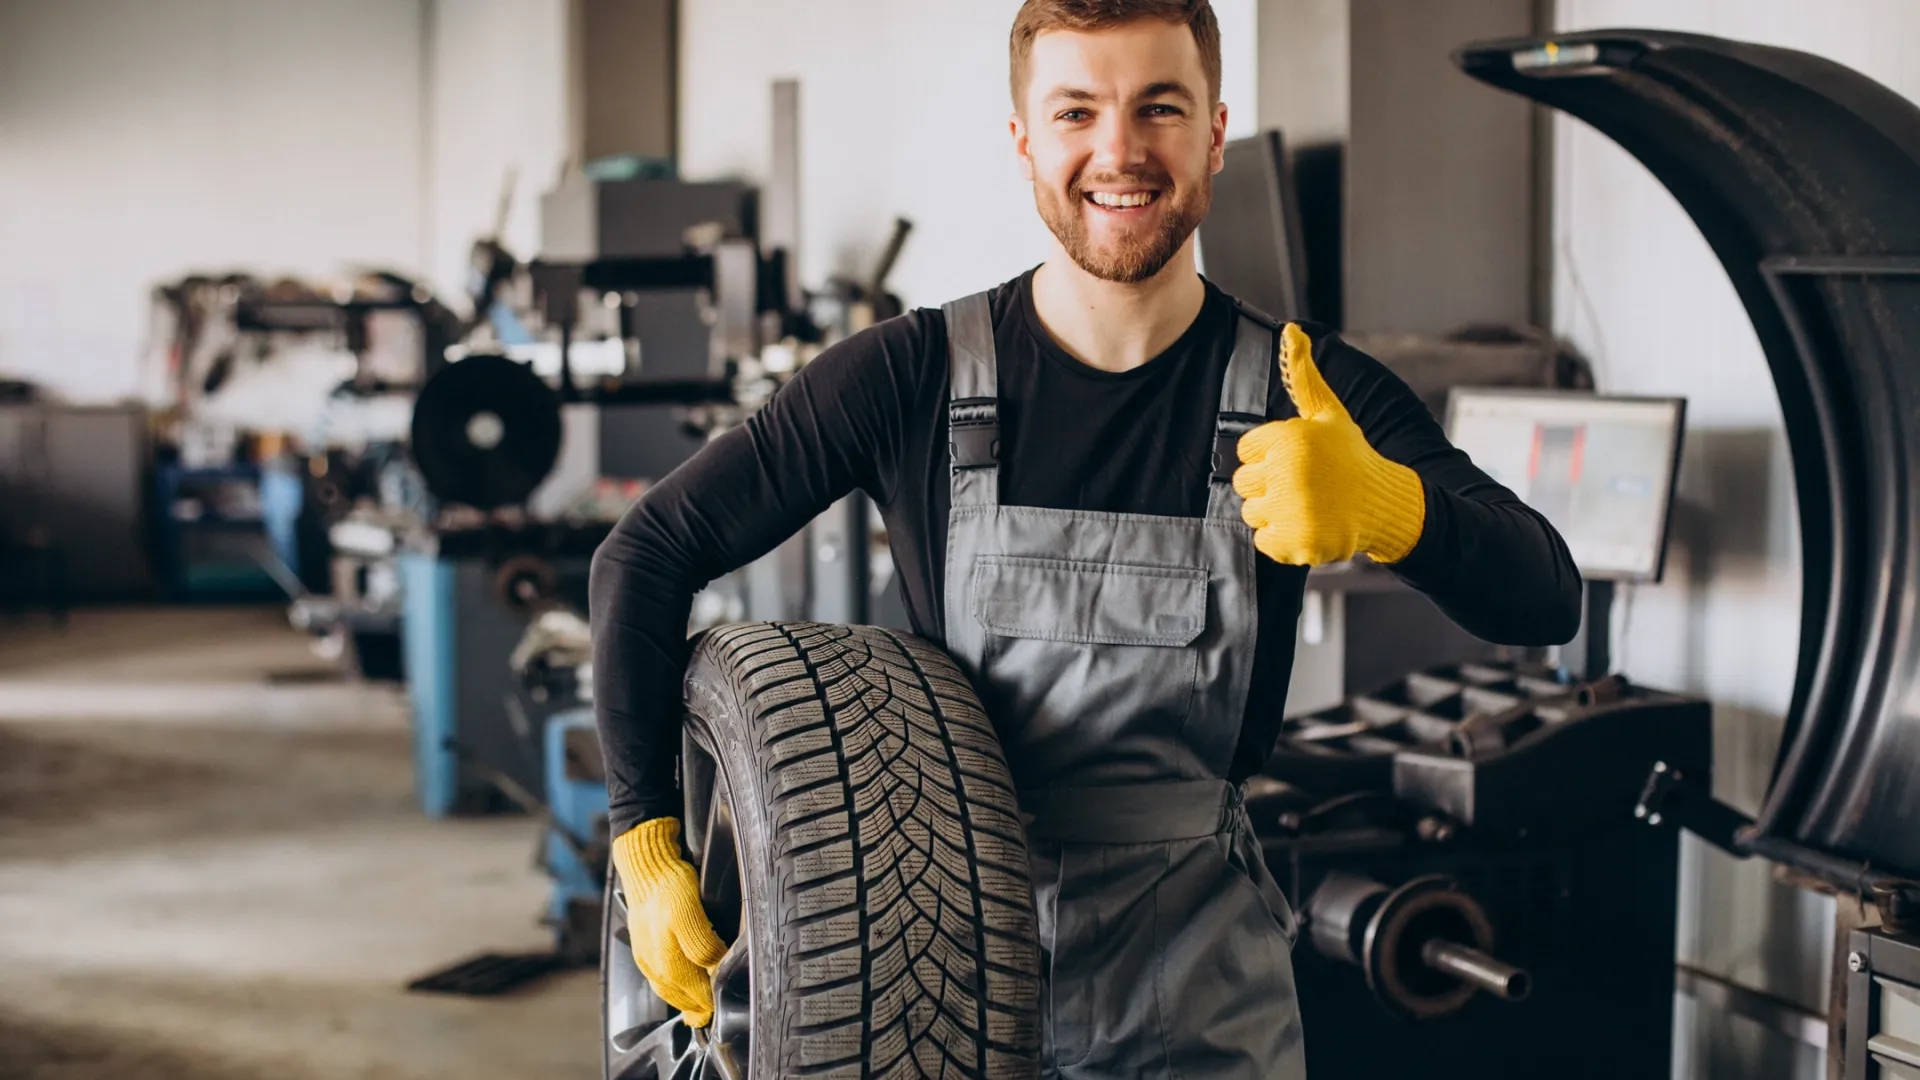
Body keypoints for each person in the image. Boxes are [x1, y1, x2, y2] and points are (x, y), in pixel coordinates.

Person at [588, 0, 1582, 1075]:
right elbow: (643, 557)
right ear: (1024, 139)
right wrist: (645, 837)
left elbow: (1545, 596)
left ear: (1213, 132)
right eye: (1076, 112)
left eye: (1160, 106)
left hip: (1202, 996)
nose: (1119, 152)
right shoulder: (911, 375)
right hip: (928, 992)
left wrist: (1393, 508)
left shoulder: (1307, 388)